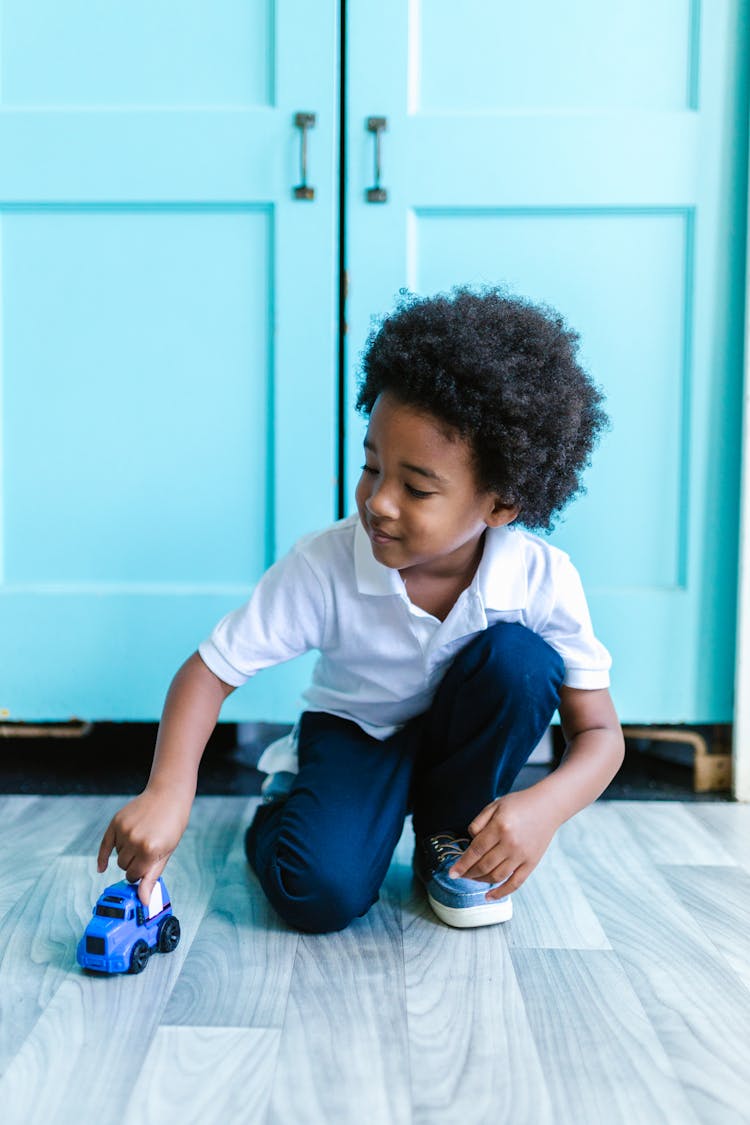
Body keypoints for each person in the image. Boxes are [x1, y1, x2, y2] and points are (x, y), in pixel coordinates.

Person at [97, 284, 624, 933]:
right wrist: (168, 792)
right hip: (354, 733)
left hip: (460, 747)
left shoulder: (542, 577)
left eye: (417, 487)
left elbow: (601, 734)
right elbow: (207, 672)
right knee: (317, 895)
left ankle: (445, 838)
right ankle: (285, 814)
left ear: (501, 504)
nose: (378, 501)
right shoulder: (326, 562)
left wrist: (544, 806)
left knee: (521, 661)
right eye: (372, 467)